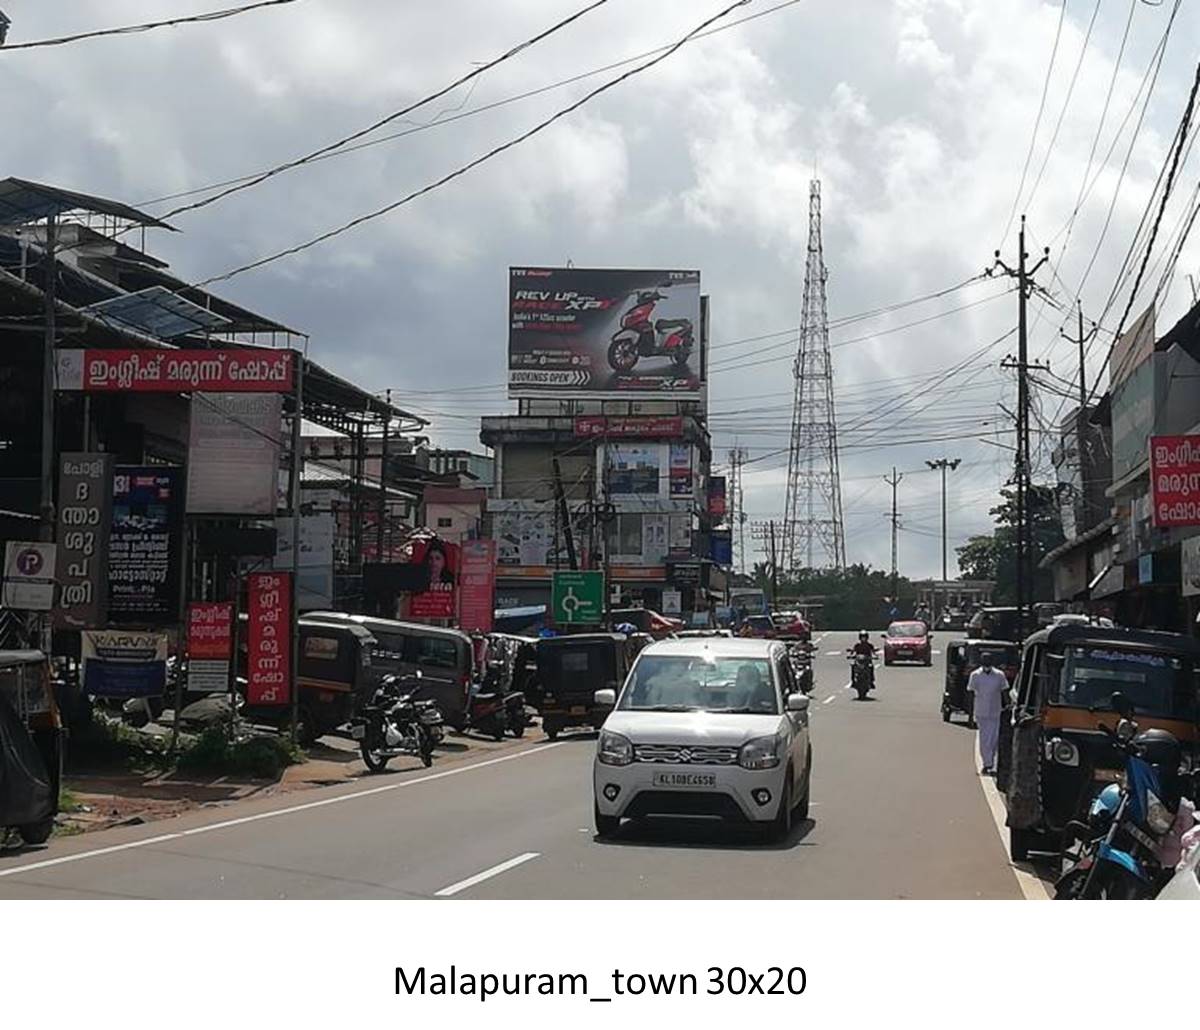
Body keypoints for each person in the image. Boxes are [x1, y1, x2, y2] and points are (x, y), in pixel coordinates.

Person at [967, 652, 1009, 775]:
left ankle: (991, 761)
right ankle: (987, 764)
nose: (987, 663)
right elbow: (970, 693)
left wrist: (1008, 707)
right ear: (981, 662)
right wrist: (970, 715)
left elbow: (1005, 691)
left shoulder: (999, 675)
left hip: (995, 711)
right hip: (981, 712)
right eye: (985, 660)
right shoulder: (975, 675)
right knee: (984, 739)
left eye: (989, 660)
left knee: (994, 739)